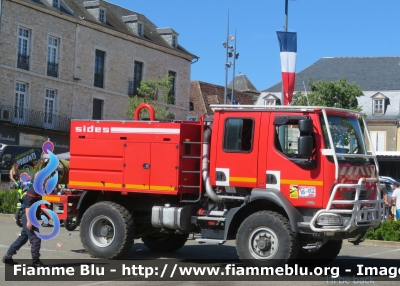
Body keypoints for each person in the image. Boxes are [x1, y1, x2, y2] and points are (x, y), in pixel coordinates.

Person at [2, 171, 44, 267]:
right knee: (35, 238)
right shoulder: (33, 190)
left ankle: (7, 257)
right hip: (27, 215)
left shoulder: (40, 189)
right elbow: (27, 206)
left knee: (23, 238)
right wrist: (29, 221)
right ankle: (36, 261)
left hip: (30, 215)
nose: (44, 180)